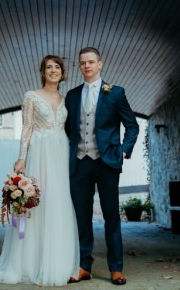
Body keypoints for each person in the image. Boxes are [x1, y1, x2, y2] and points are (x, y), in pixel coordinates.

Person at [0, 55, 79, 287]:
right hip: (40, 152)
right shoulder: (31, 96)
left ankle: (57, 262)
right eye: (49, 67)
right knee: (36, 204)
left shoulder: (67, 100)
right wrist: (21, 158)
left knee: (58, 204)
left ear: (63, 73)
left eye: (57, 67)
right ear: (42, 72)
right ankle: (29, 263)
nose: (53, 71)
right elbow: (27, 128)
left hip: (60, 152)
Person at [65, 47, 139, 286]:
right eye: (83, 63)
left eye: (91, 62)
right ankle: (84, 265)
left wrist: (124, 151)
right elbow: (69, 129)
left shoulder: (115, 93)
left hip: (107, 162)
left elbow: (132, 126)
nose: (87, 66)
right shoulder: (73, 95)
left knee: (111, 217)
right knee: (81, 217)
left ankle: (116, 268)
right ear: (80, 66)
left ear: (100, 64)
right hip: (80, 163)